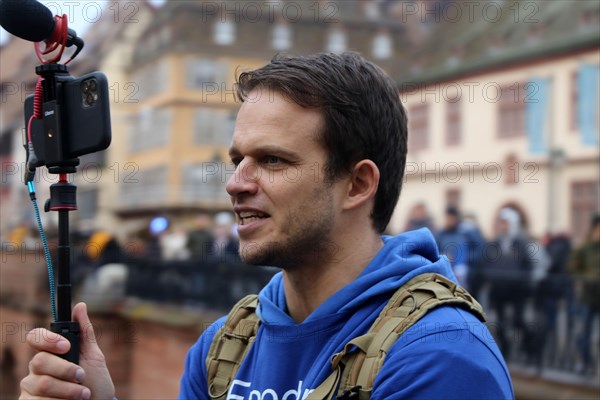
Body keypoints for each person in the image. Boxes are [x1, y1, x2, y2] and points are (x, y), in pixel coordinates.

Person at [19, 52, 513, 399]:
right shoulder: (224, 346)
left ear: (358, 184)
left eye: (272, 160)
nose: (235, 183)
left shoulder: (439, 358)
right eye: (238, 159)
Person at [569, 214, 600, 375]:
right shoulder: (584, 247)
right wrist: (587, 279)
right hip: (588, 296)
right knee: (585, 334)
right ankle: (585, 362)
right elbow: (573, 268)